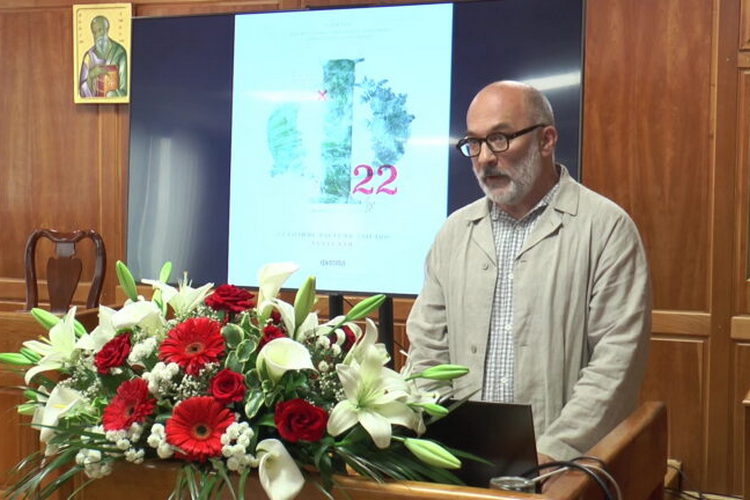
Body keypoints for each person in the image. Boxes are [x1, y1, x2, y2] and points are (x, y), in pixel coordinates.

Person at [405, 81, 651, 464]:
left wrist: (551, 455)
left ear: (546, 140)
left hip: (566, 467)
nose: (485, 158)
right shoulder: (454, 232)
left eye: (499, 139)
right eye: (474, 143)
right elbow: (427, 351)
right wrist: (444, 444)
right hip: (463, 465)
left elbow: (615, 365)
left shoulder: (605, 229)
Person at [79, 15, 128, 98]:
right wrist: (91, 75)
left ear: (107, 29)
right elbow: (82, 93)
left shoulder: (119, 52)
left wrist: (109, 95)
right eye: (94, 32)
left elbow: (125, 91)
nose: (97, 35)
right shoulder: (89, 56)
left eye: (100, 30)